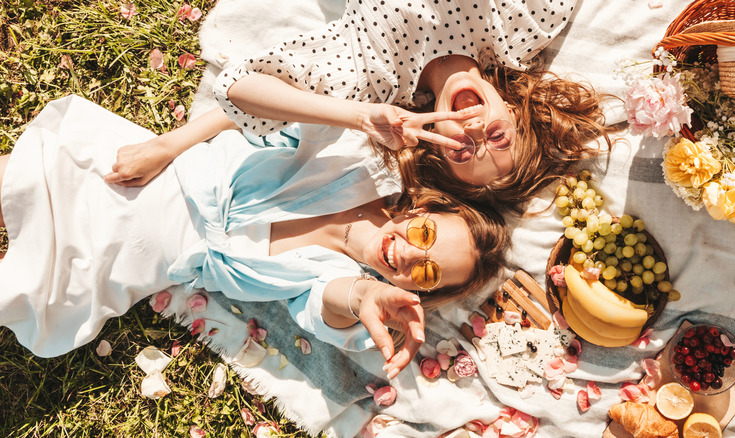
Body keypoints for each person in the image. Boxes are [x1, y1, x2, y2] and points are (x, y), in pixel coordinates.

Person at [0, 96, 507, 378]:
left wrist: (366, 294)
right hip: (149, 180)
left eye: (426, 272)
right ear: (422, 208)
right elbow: (255, 103)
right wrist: (168, 144)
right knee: (21, 183)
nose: (410, 254)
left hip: (126, 264)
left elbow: (326, 307)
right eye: (424, 233)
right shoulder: (355, 158)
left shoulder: (338, 279)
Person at [105, 0, 615, 213]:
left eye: (463, 149)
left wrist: (357, 116)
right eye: (497, 136)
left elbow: (240, 86)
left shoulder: (375, 81)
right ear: (514, 111)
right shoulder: (520, 30)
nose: (472, 128)